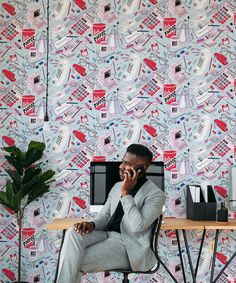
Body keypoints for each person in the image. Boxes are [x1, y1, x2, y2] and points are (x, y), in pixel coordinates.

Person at [56, 144, 165, 283]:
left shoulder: (156, 195)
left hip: (129, 247)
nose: (121, 166)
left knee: (73, 260)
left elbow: (138, 226)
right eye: (123, 161)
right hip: (106, 235)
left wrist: (126, 194)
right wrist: (92, 224)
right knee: (73, 232)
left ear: (141, 169)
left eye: (127, 164)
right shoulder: (116, 187)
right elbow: (105, 216)